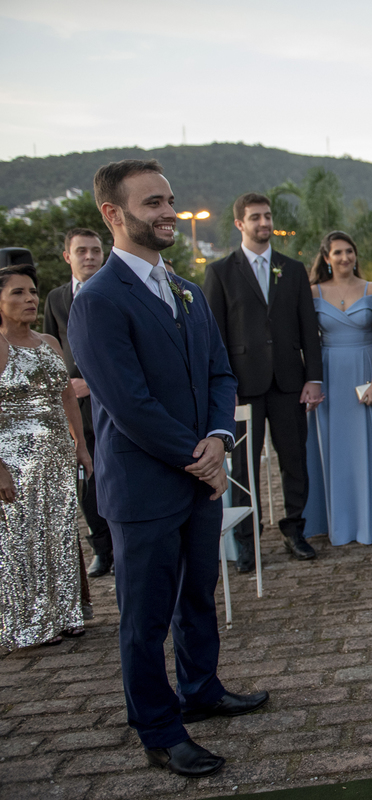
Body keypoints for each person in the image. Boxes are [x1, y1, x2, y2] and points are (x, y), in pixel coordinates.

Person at [72, 160, 267, 778]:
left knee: (197, 597)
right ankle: (158, 729)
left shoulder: (185, 290)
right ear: (113, 214)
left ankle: (201, 689)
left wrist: (219, 437)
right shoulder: (98, 300)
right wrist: (201, 458)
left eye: (170, 200)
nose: (168, 213)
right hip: (144, 486)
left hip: (199, 475)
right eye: (152, 202)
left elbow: (219, 373)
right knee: (144, 617)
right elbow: (129, 404)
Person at [203, 192, 323, 571]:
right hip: (243, 387)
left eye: (267, 216)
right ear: (240, 223)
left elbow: (308, 329)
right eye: (255, 217)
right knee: (243, 467)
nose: (264, 222)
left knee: (294, 461)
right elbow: (215, 337)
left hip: (289, 382)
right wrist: (223, 388)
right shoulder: (221, 272)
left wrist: (314, 378)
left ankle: (295, 530)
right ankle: (247, 542)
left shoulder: (293, 269)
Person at [0, 263, 91, 650]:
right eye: (18, 292)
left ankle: (66, 614)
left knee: (60, 534)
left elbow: (67, 396)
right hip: (15, 461)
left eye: (33, 292)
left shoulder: (50, 342)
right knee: (23, 541)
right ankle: (30, 624)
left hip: (57, 456)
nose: (30, 299)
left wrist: (81, 446)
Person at [301, 231, 372, 546]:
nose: (345, 257)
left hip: (366, 371)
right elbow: (307, 341)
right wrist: (311, 381)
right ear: (326, 258)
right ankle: (339, 520)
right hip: (330, 375)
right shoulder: (313, 293)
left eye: (349, 251)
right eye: (338, 252)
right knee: (336, 447)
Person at [42, 228, 112, 579]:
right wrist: (62, 389)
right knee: (85, 475)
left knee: (114, 472)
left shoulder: (115, 290)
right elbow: (49, 348)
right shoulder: (56, 299)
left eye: (95, 251)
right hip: (75, 406)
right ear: (67, 257)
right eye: (82, 251)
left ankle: (123, 542)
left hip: (112, 400)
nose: (90, 257)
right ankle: (102, 548)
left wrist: (94, 384)